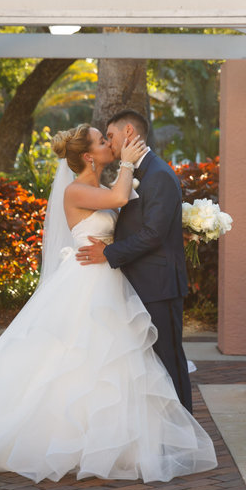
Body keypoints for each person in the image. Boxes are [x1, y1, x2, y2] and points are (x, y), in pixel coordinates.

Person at [0, 123, 217, 484]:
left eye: (108, 138)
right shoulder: (76, 190)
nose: (109, 144)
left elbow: (130, 212)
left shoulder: (100, 186)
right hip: (88, 282)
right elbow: (120, 200)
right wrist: (132, 164)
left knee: (108, 359)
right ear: (88, 155)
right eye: (103, 141)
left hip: (108, 278)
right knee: (78, 357)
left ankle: (115, 439)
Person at [76, 110, 192, 412]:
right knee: (147, 366)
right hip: (137, 283)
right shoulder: (137, 174)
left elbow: (153, 234)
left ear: (128, 132)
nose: (109, 144)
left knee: (168, 361)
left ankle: (183, 435)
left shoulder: (158, 175)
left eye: (110, 136)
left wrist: (108, 253)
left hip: (159, 287)